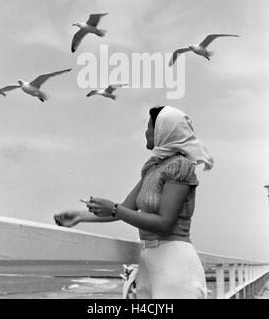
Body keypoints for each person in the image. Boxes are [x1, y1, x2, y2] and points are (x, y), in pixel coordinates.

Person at [54, 105, 213, 299]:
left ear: (163, 130)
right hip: (149, 262)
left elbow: (164, 223)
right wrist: (80, 216)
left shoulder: (180, 167)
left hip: (175, 263)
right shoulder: (152, 168)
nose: (145, 132)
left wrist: (114, 209)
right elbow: (125, 209)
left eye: (149, 127)